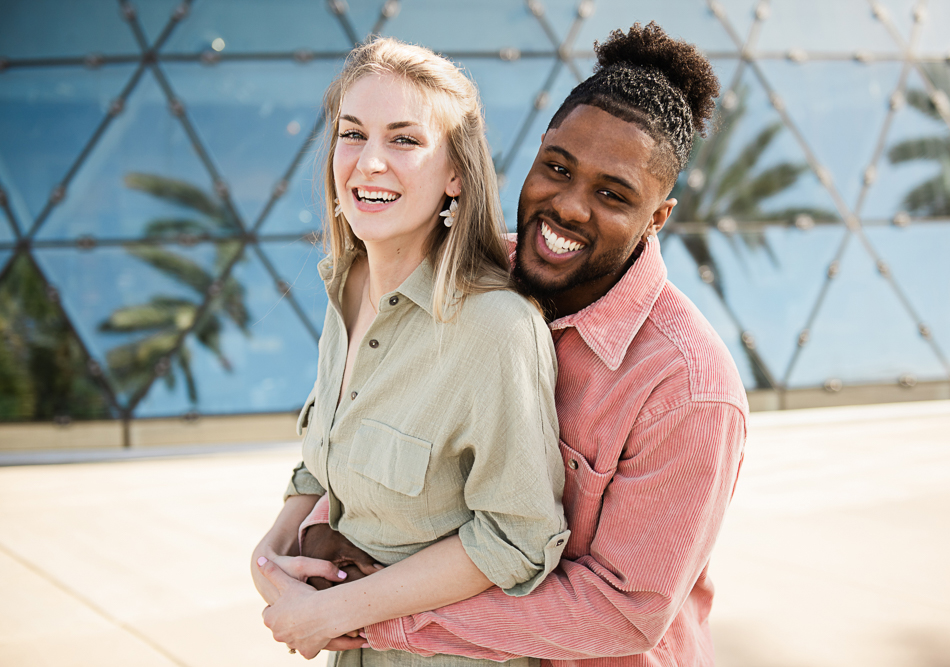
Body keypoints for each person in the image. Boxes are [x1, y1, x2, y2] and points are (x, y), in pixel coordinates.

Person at [292, 22, 748, 666]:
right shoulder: (470, 281)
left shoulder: (690, 390)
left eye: (612, 194)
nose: (568, 207)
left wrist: (367, 615)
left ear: (658, 218)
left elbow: (619, 612)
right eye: (556, 168)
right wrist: (310, 543)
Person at [250, 36, 569, 665]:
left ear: (455, 173)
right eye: (352, 134)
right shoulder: (346, 289)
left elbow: (519, 535)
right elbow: (322, 461)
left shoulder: (495, 329)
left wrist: (331, 611)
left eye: (404, 139)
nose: (369, 163)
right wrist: (270, 559)